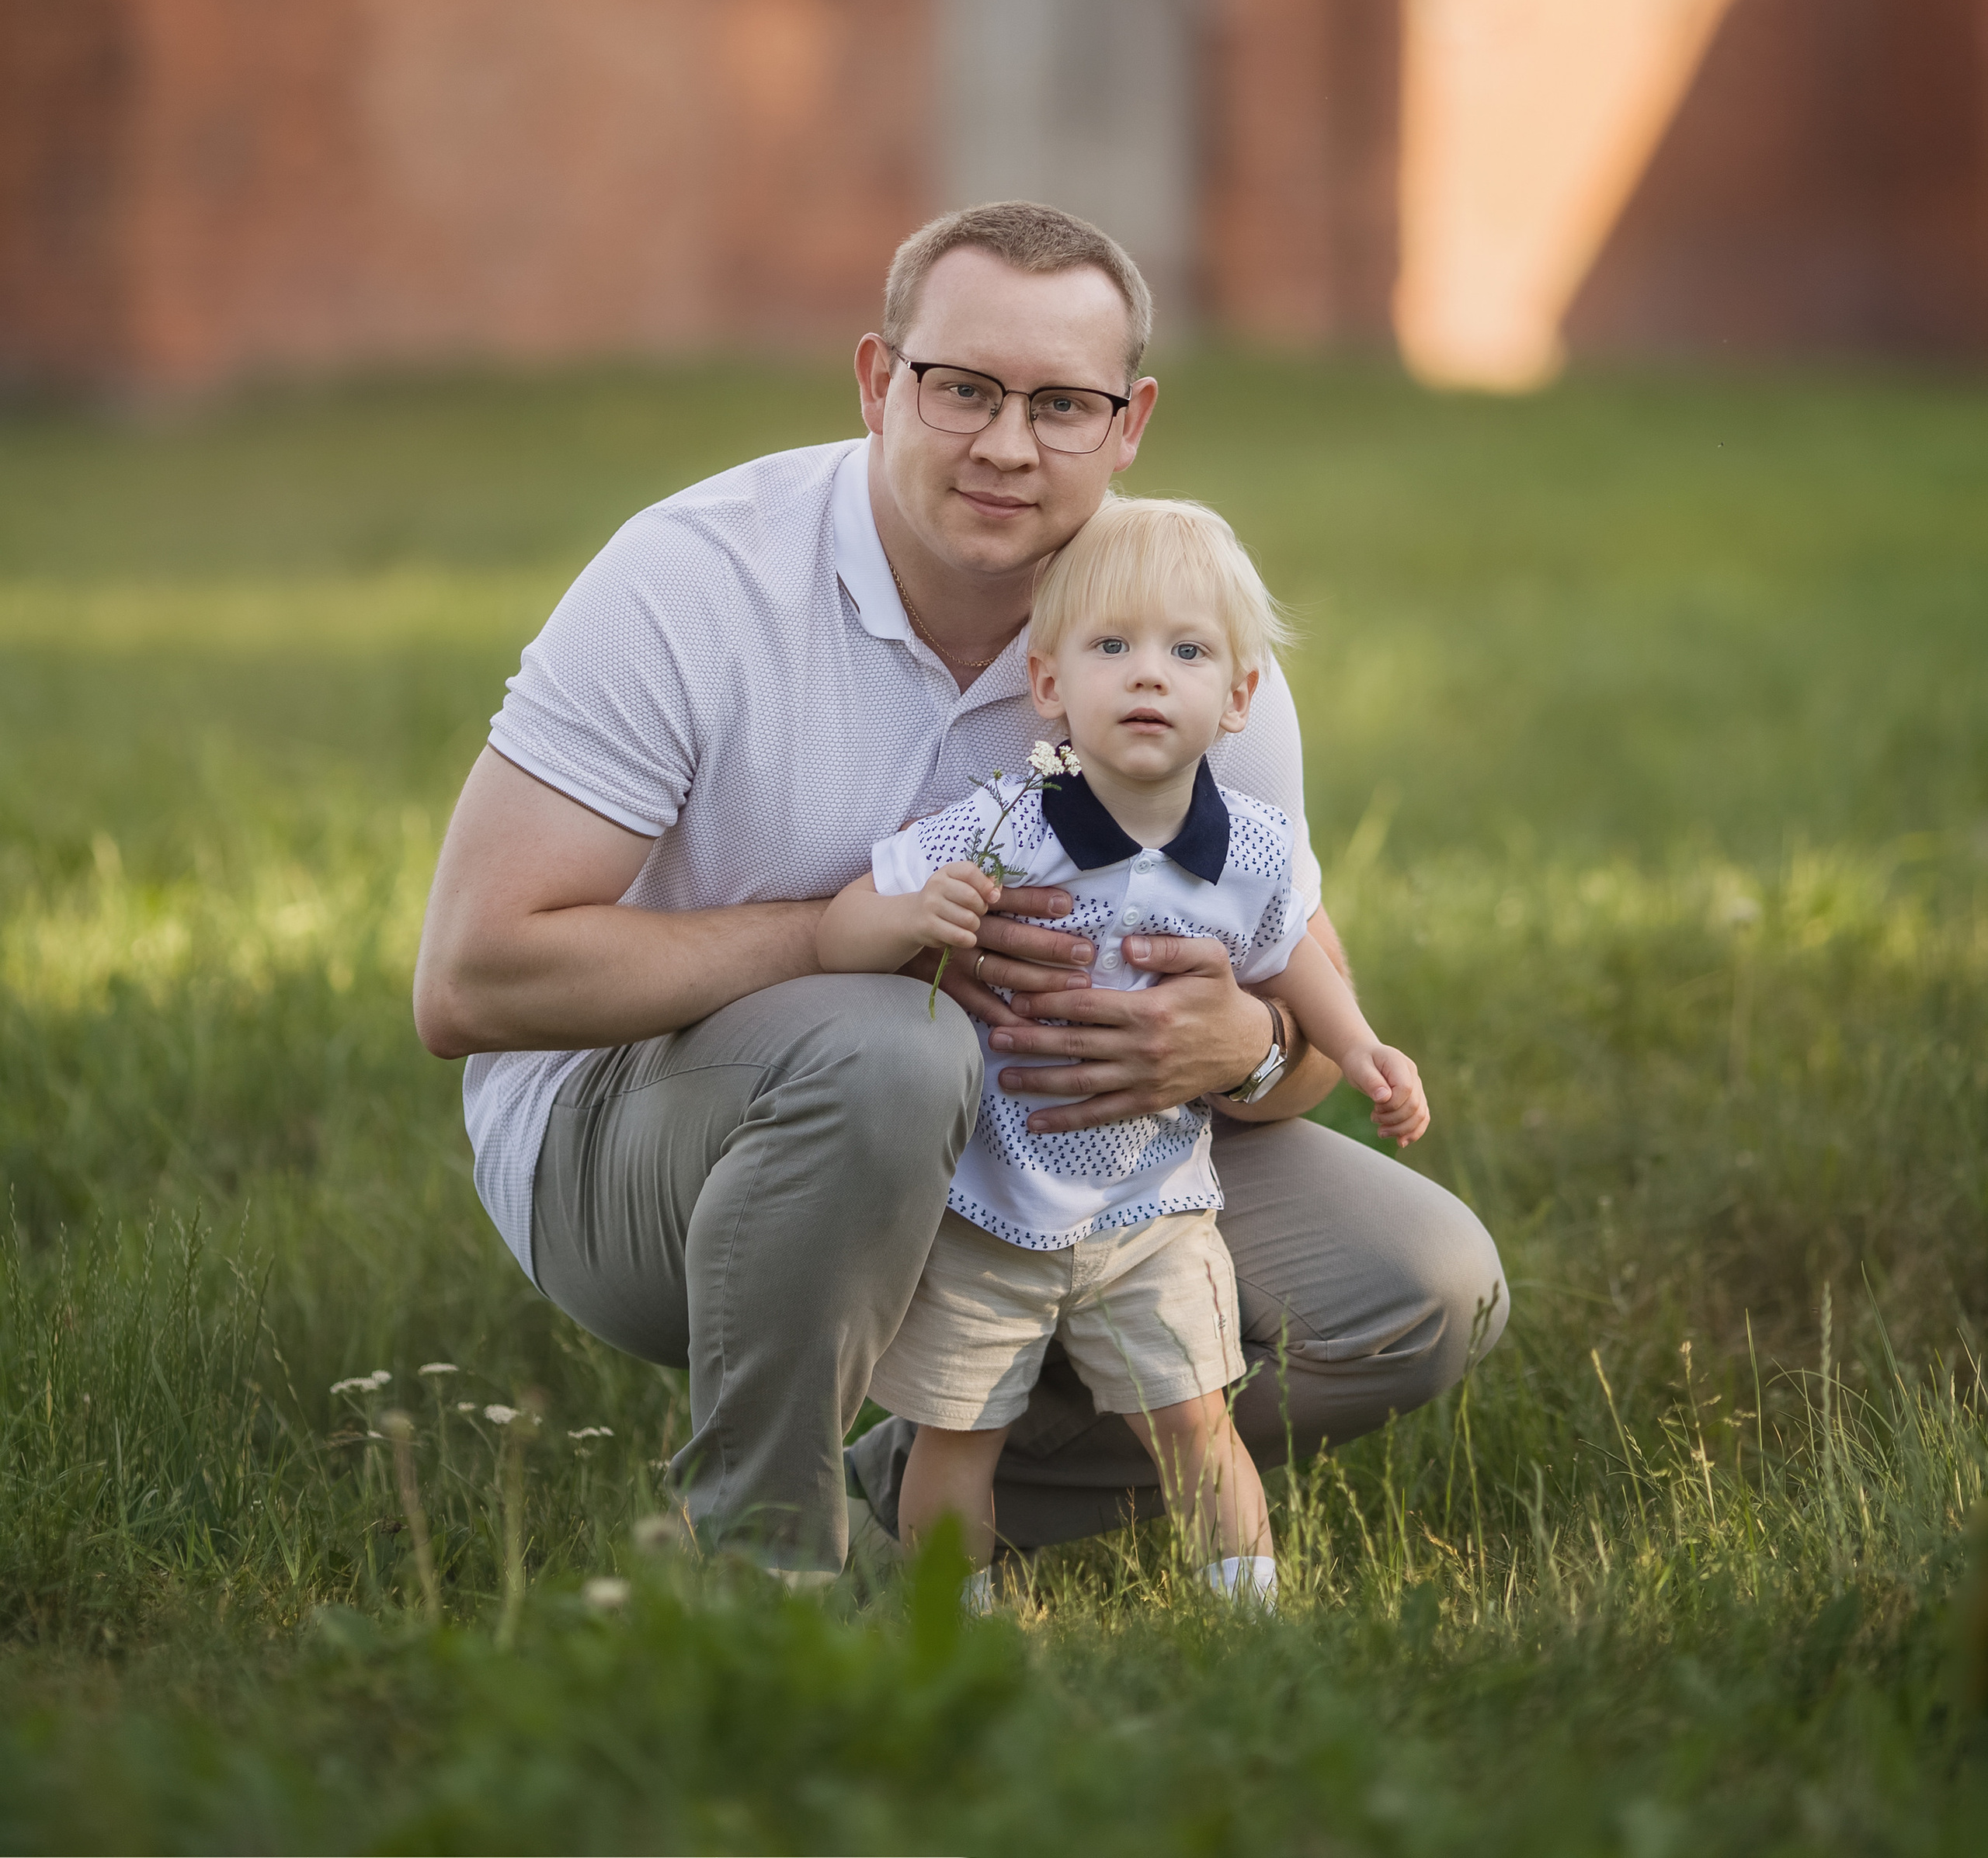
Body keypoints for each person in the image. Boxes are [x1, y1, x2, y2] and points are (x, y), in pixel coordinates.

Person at [412, 199, 1505, 1574]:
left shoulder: (1177, 643)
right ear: (879, 381)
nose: (1006, 442)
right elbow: (470, 978)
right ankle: (766, 1565)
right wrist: (830, 938)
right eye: (963, 388)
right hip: (642, 1140)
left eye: (1061, 402)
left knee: (1422, 1290)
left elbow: (1293, 988)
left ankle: (914, 1509)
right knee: (893, 1048)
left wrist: (1252, 1051)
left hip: (1067, 1150)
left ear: (1131, 423)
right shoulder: (691, 580)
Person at [820, 495, 1430, 1610]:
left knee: (1198, 1425)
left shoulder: (1251, 844)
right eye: (1113, 646)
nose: (1150, 675)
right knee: (958, 1437)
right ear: (1049, 684)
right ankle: (949, 1620)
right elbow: (847, 919)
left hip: (1157, 1213)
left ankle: (1246, 1614)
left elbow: (1294, 956)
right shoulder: (1011, 819)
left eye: (1187, 650)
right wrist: (915, 917)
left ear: (1239, 696)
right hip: (989, 1209)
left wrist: (1365, 1047)